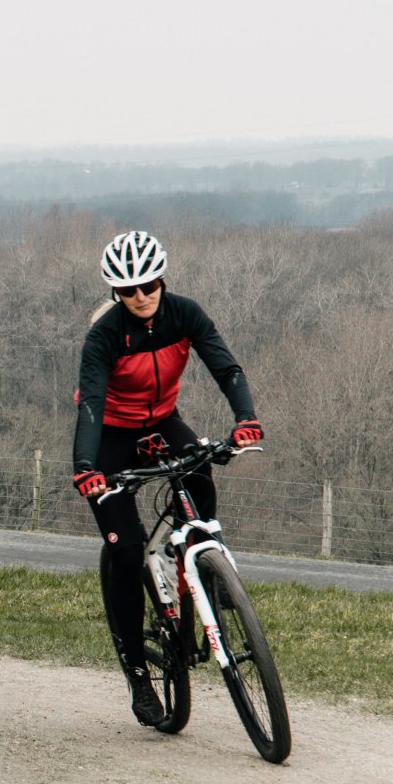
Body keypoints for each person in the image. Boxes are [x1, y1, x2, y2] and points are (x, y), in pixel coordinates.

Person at [70, 231, 260, 726]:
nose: (141, 295)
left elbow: (226, 367)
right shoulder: (104, 336)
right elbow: (90, 403)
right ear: (116, 293)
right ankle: (137, 671)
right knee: (127, 551)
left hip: (162, 423)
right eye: (128, 289)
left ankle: (205, 575)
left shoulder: (184, 314)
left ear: (162, 279)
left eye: (149, 283)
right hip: (111, 437)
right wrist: (87, 468)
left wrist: (244, 418)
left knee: (199, 485)